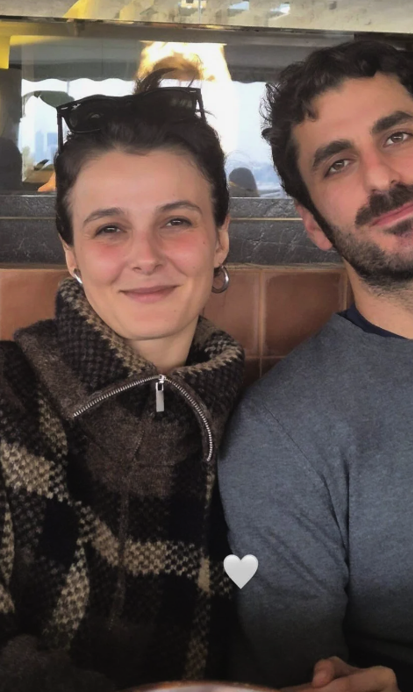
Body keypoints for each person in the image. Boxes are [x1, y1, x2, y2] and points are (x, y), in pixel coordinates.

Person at [219, 39, 413, 692]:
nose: (380, 179)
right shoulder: (285, 432)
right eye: (338, 164)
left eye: (396, 136)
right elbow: (311, 671)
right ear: (312, 222)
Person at [0, 74, 245, 692]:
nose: (146, 256)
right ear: (71, 254)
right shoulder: (8, 401)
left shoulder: (266, 423)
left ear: (220, 238)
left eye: (176, 221)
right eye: (109, 228)